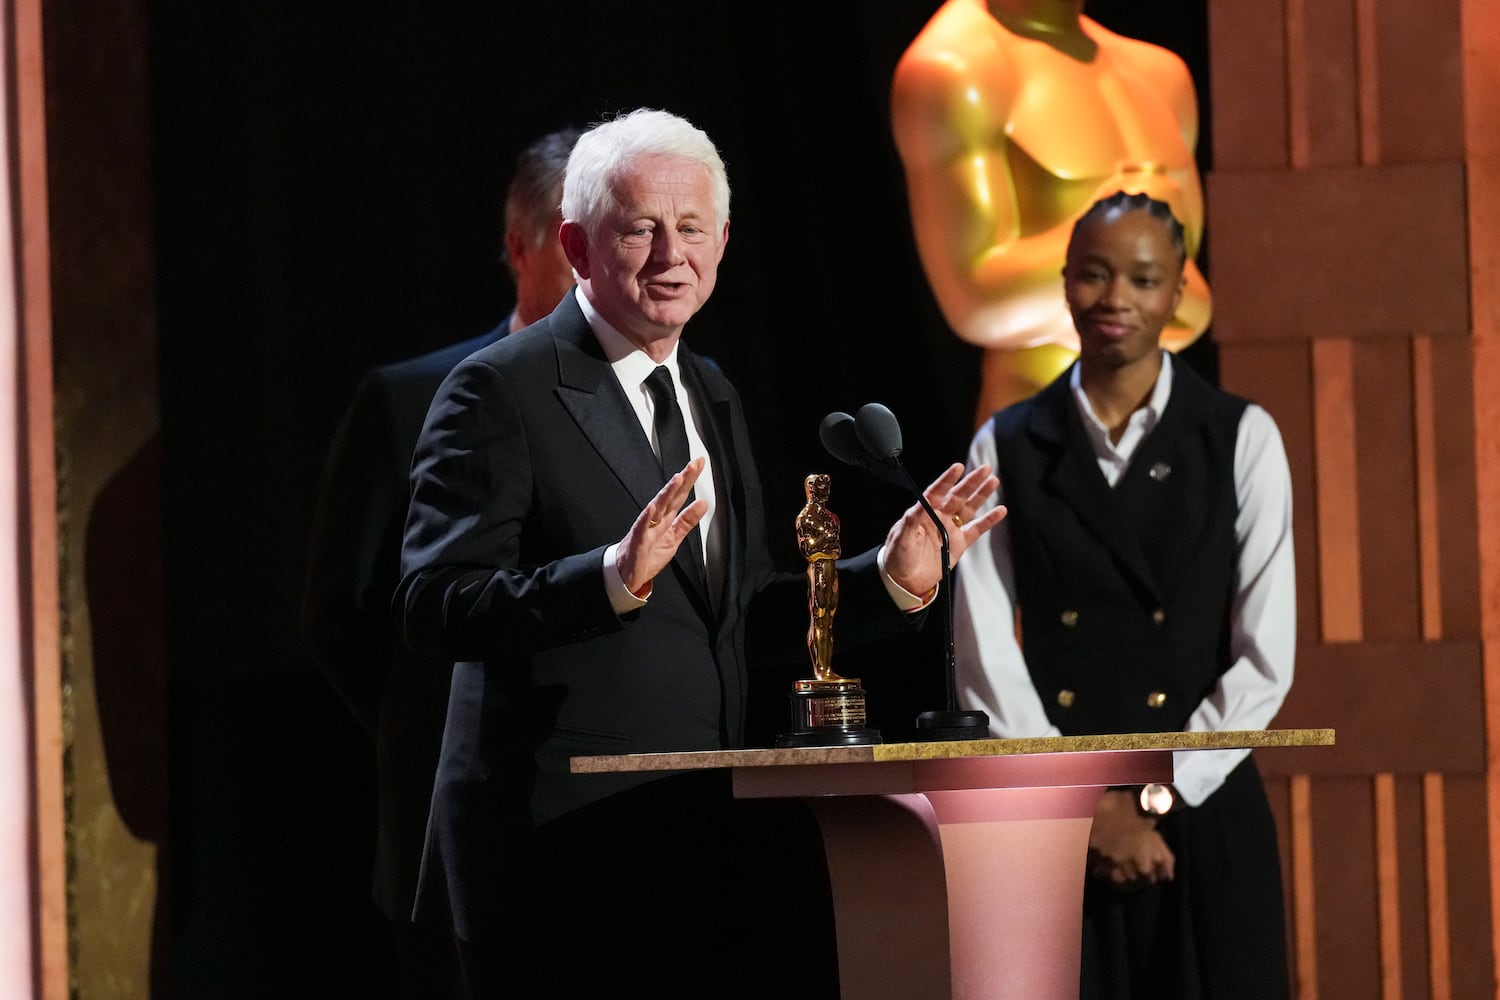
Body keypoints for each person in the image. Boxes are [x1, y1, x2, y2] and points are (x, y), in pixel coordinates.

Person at [396, 108, 1006, 998]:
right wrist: (610, 578)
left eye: (690, 228)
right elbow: (433, 605)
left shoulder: (709, 392)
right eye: (639, 228)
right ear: (575, 243)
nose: (667, 253)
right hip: (552, 858)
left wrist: (885, 581)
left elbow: (739, 612)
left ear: (722, 242)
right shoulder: (499, 389)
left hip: (696, 846)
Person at [953, 192, 1296, 999]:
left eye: (1142, 280)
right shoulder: (1005, 440)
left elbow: (1264, 660)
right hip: (1055, 824)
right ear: (1064, 284)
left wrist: (1154, 793)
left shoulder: (1241, 436)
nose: (1116, 300)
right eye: (1095, 276)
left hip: (1201, 812)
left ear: (1178, 293)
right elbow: (983, 654)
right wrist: (1086, 809)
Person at [299, 126, 580, 1000]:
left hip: (622, 824)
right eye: (578, 245)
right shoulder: (409, 399)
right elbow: (338, 615)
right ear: (519, 247)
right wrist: (428, 736)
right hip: (450, 842)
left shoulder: (682, 395)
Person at [892, 0, 1213, 420]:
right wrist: (1125, 237)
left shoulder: (1160, 75)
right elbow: (974, 299)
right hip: (1041, 428)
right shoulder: (955, 66)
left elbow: (1194, 296)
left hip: (1162, 427)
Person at [797, 472, 842, 681]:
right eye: (822, 489)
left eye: (827, 489)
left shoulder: (832, 517)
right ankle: (820, 670)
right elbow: (807, 549)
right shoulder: (806, 517)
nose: (826, 493)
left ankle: (827, 669)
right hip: (818, 568)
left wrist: (827, 542)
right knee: (819, 617)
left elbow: (837, 548)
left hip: (831, 567)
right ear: (812, 490)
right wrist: (826, 538)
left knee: (829, 620)